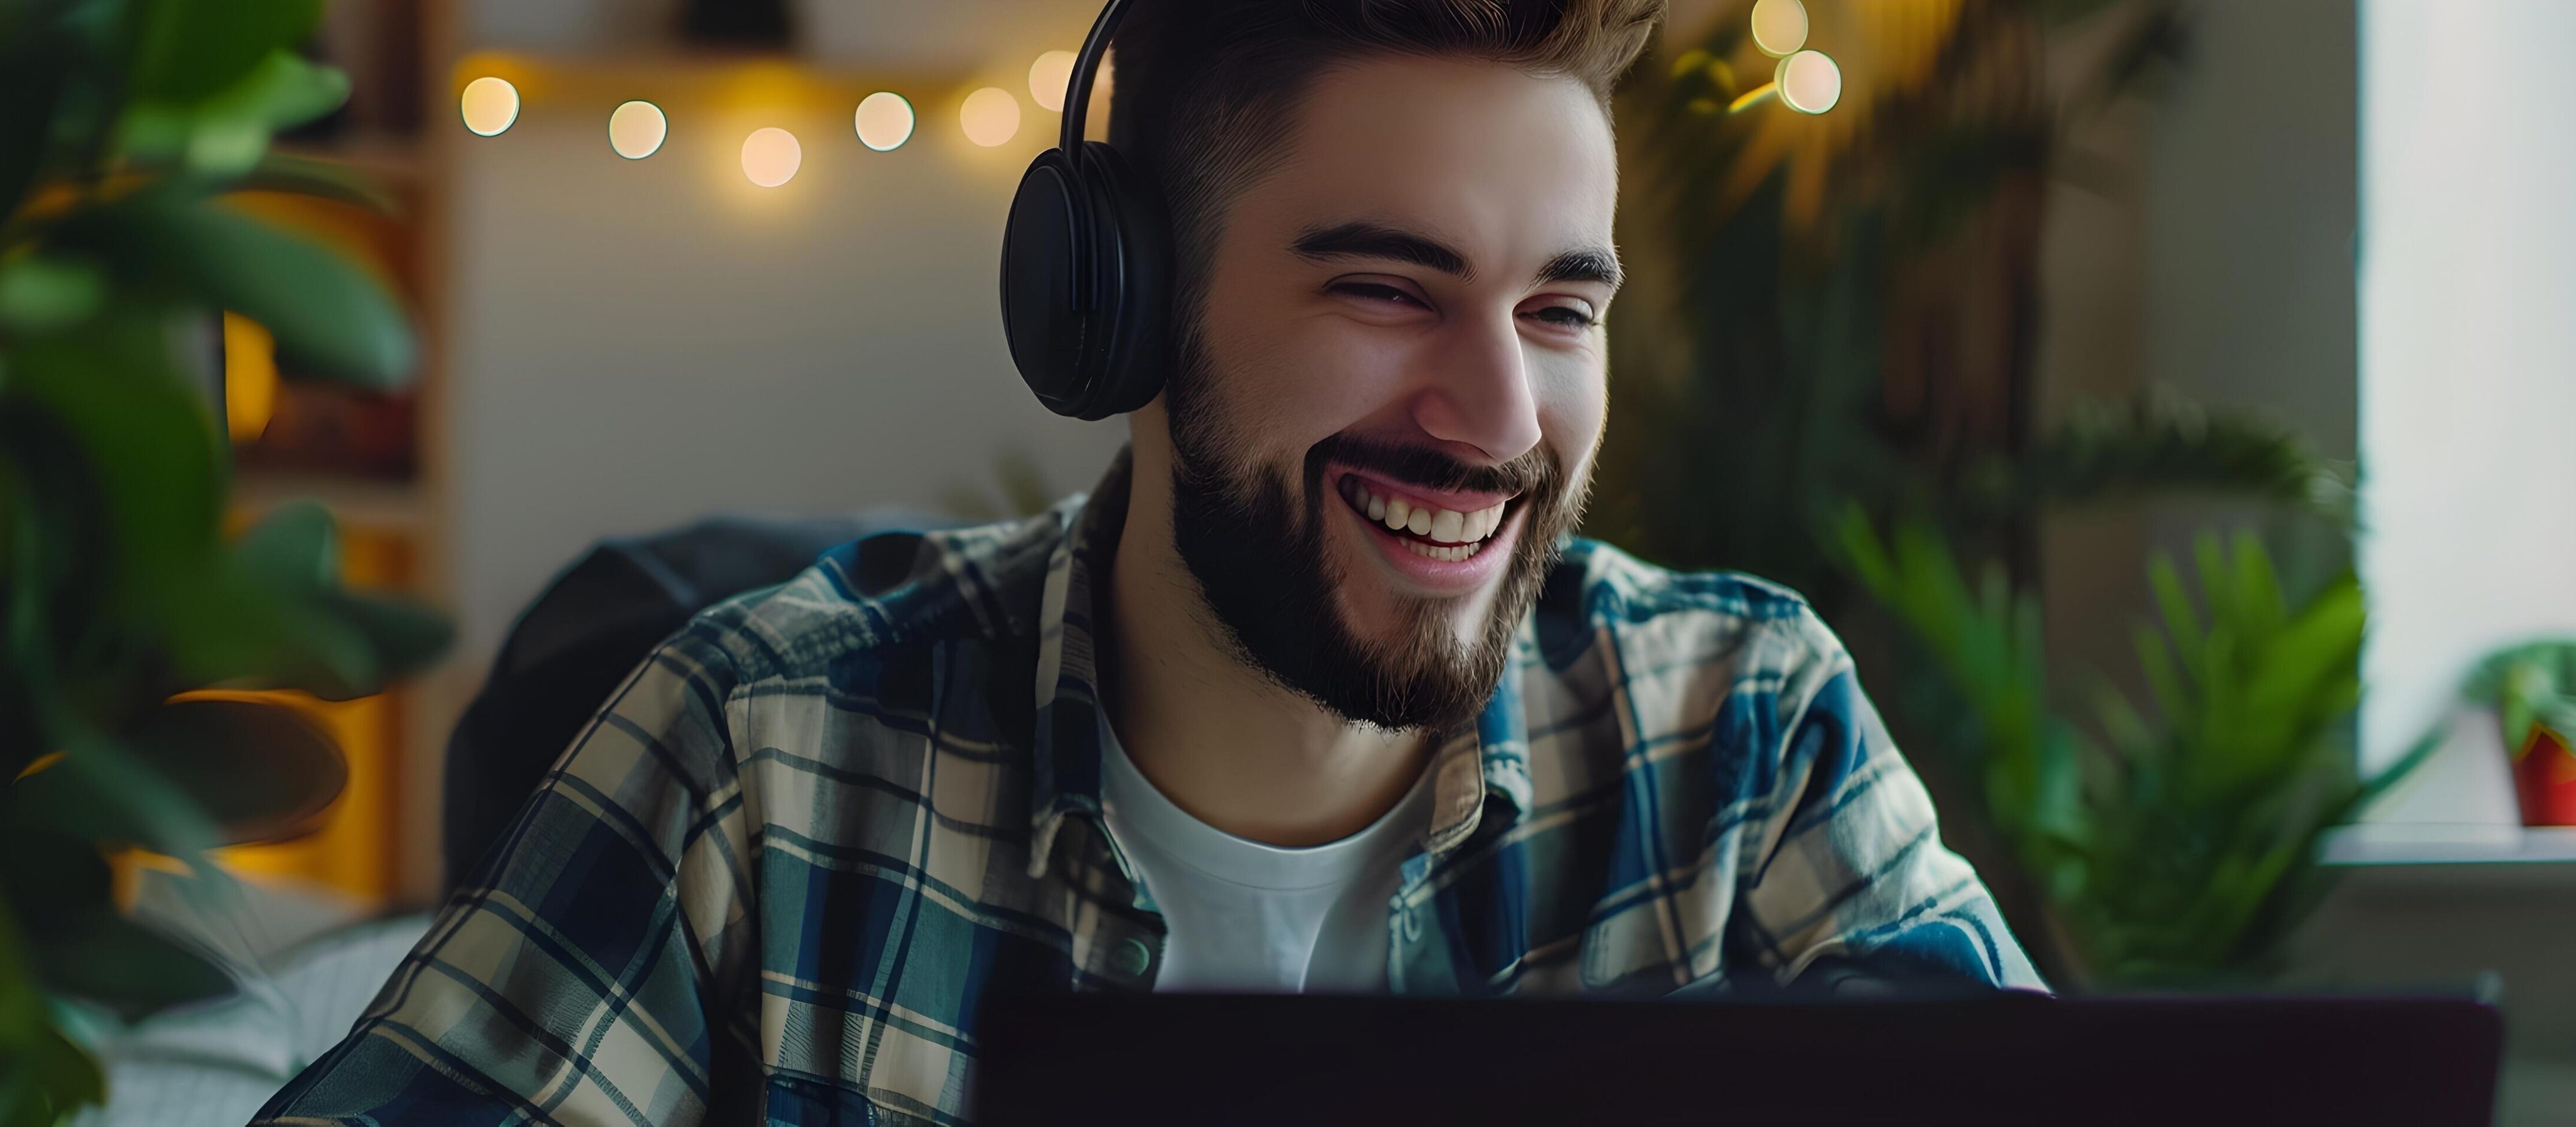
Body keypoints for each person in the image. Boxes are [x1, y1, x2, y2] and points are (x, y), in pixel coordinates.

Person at [255, 1, 2039, 1122]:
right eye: (1386, 289)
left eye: (1558, 308)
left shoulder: (1742, 731)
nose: (1497, 414)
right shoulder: (766, 755)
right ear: (1118, 309)